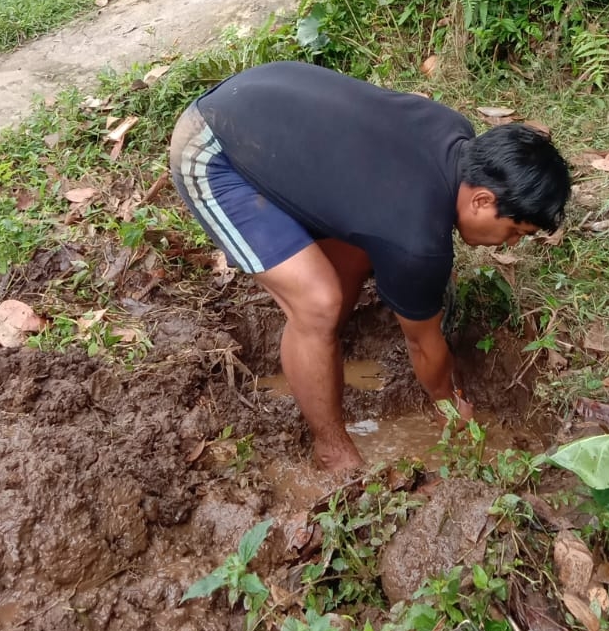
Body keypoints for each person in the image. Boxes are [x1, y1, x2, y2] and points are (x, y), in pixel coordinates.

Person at [168, 61, 570, 472]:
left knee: (366, 247)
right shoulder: (417, 242)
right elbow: (423, 345)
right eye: (516, 230)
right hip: (212, 146)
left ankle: (320, 348)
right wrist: (450, 405)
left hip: (260, 94)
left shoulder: (453, 130)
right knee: (317, 304)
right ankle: (331, 450)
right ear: (483, 201)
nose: (512, 242)